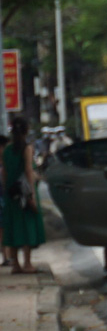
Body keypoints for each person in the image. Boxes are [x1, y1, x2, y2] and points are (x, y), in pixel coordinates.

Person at [1, 117, 46, 274]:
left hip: (11, 193)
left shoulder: (7, 150)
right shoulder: (26, 148)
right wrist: (31, 194)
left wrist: (8, 190)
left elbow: (4, 172)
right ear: (26, 130)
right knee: (27, 226)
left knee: (12, 227)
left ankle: (16, 265)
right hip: (25, 192)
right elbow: (28, 170)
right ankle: (27, 263)